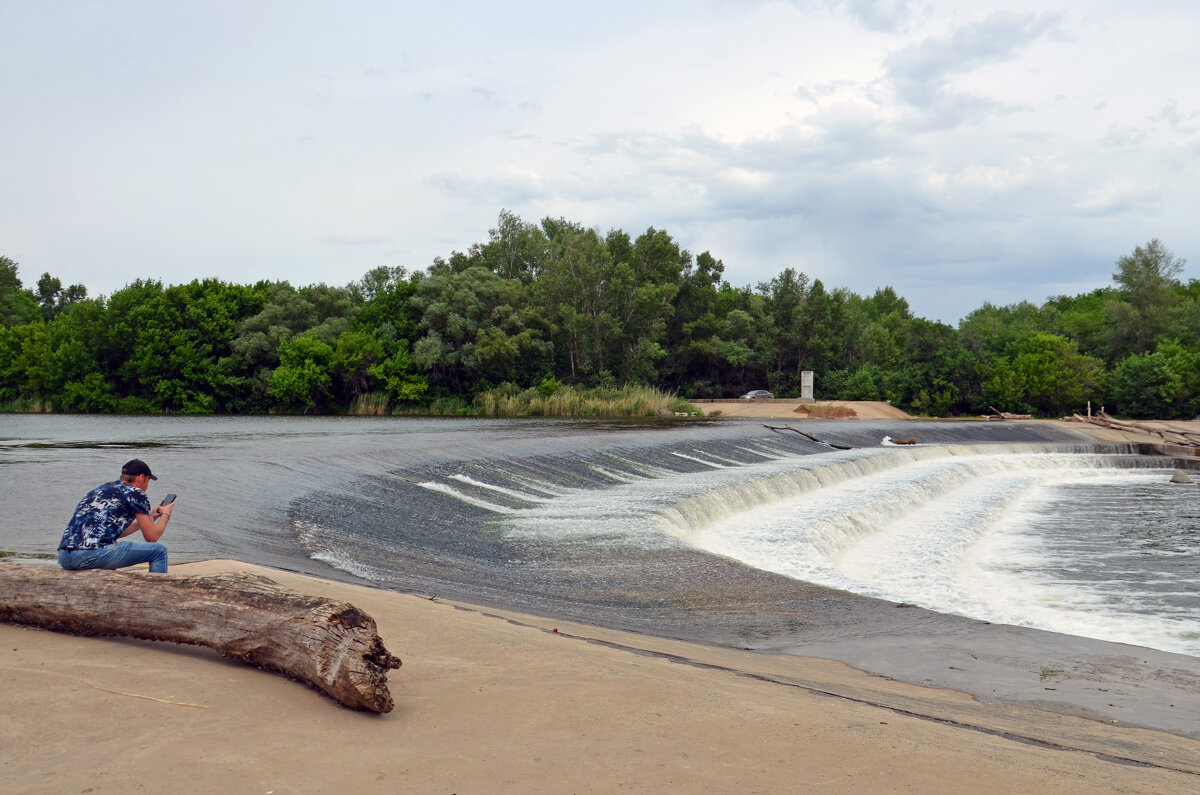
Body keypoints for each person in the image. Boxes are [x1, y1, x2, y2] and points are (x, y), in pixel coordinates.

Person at [57, 459, 173, 573]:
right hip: (90, 554)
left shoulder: (101, 489)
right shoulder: (136, 493)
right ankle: (154, 590)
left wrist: (150, 519)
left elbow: (113, 532)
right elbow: (152, 537)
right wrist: (166, 514)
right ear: (141, 477)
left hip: (64, 556)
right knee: (159, 551)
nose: (147, 484)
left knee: (110, 549)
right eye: (148, 480)